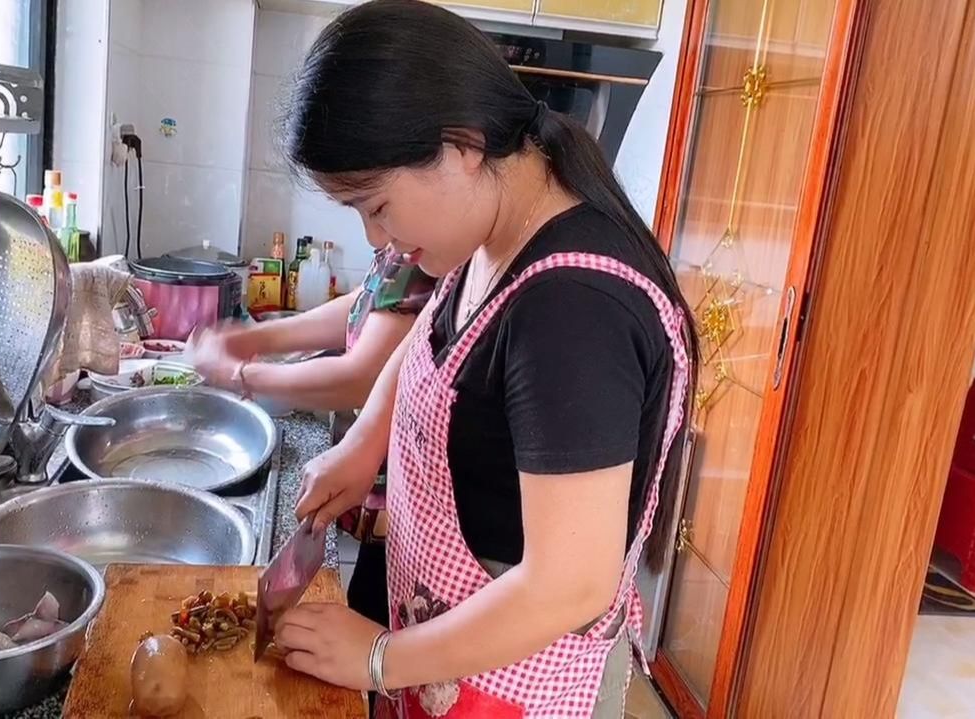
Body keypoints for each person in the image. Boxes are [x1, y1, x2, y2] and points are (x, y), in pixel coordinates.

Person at [274, 2, 700, 717]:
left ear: (462, 146)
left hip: (516, 686)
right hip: (447, 660)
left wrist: (377, 657)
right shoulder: (496, 231)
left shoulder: (574, 308)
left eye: (375, 205)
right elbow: (437, 341)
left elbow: (570, 584)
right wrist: (361, 442)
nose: (377, 239)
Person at [187, 239, 435, 636]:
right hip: (389, 500)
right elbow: (365, 303)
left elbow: (362, 377)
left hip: (415, 506)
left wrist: (242, 375)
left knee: (384, 633)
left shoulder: (440, 248)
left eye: (376, 208)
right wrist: (260, 339)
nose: (372, 235)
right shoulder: (412, 239)